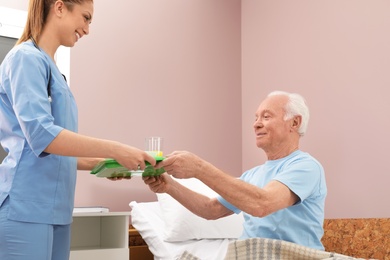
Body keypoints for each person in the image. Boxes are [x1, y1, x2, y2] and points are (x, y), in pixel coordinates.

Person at [0, 1, 156, 259]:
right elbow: (41, 135)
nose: (87, 29)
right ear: (60, 7)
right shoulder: (25, 58)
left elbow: (56, 154)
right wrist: (116, 148)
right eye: (85, 18)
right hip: (25, 208)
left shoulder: (55, 74)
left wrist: (106, 163)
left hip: (57, 210)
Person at [144, 90, 327, 250]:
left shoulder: (306, 167)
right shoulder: (253, 175)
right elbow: (211, 209)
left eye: (266, 116)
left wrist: (199, 168)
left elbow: (262, 204)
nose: (256, 124)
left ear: (295, 123)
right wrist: (168, 186)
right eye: (256, 118)